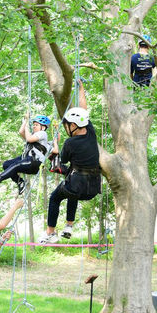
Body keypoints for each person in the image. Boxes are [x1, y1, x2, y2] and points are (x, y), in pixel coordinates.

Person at [39, 80, 101, 244]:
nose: (66, 128)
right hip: (93, 187)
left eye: (67, 125)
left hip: (77, 184)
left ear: (73, 125)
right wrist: (81, 89)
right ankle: (69, 226)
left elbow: (60, 159)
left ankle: (50, 233)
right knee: (72, 187)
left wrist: (55, 146)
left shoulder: (70, 143)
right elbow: (83, 110)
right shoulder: (90, 131)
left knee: (55, 197)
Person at [0, 114, 52, 194]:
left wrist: (27, 127)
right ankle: (20, 182)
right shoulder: (34, 136)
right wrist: (25, 121)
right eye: (33, 125)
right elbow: (21, 132)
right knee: (6, 164)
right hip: (27, 159)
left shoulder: (42, 133)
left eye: (36, 125)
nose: (34, 126)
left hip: (35, 162)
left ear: (43, 127)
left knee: (16, 165)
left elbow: (29, 138)